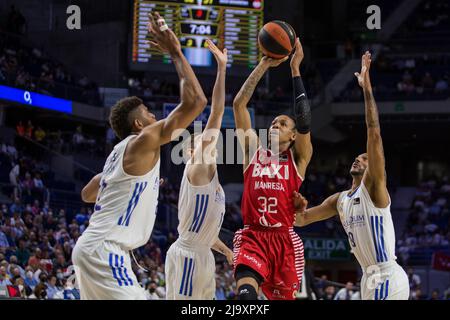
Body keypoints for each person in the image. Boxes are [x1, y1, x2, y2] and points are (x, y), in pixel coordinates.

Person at [71, 12, 208, 300]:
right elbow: (196, 101)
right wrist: (175, 52)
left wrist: (129, 187)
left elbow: (87, 193)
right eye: (148, 112)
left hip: (91, 248)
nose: (153, 115)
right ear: (138, 125)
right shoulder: (143, 141)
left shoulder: (116, 158)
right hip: (106, 250)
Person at [295, 52, 410, 300]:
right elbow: (302, 220)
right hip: (368, 278)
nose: (360, 159)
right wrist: (285, 202)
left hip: (387, 275)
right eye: (359, 156)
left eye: (366, 158)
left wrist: (366, 89)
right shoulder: (339, 200)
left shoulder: (375, 188)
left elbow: (374, 132)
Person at [232, 38, 313, 300]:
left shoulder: (298, 160)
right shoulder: (253, 152)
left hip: (284, 242)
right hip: (253, 236)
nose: (276, 124)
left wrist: (295, 69)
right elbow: (238, 105)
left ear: (293, 137)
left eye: (283, 123)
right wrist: (264, 64)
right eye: (274, 122)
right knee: (245, 297)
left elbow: (304, 119)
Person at [165, 40, 233, 300]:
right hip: (188, 256)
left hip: (203, 255)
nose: (207, 140)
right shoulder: (198, 168)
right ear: (192, 152)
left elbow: (206, 234)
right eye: (200, 140)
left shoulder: (213, 181)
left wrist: (225, 251)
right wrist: (222, 70)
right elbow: (216, 113)